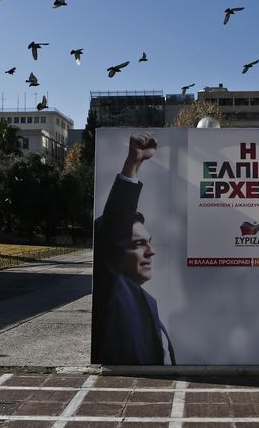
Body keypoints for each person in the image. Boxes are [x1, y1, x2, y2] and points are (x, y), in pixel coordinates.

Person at [91, 131, 175, 365]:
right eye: (138, 244)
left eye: (149, 242)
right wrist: (133, 165)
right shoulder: (111, 290)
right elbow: (113, 233)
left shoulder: (147, 301)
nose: (151, 251)